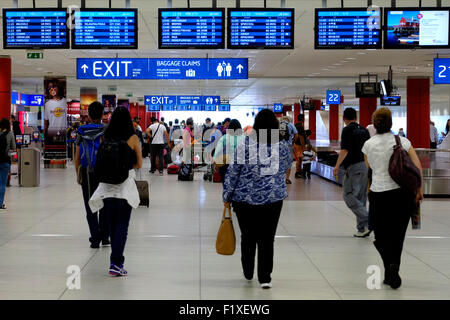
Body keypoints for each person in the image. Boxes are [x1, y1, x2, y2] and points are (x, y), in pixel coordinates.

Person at [223, 109, 290, 289]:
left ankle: (248, 271)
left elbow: (233, 172)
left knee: (248, 236)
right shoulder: (282, 146)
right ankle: (265, 277)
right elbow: (285, 167)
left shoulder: (245, 144)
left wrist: (227, 196)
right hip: (273, 199)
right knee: (267, 238)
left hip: (244, 199)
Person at [362, 107, 423, 289]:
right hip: (402, 194)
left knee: (380, 235)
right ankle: (392, 269)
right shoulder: (403, 141)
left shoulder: (368, 145)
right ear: (391, 123)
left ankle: (389, 267)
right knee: (398, 235)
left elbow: (369, 168)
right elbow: (417, 166)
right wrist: (418, 189)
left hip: (379, 194)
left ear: (374, 124)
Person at [89, 106, 142, 277]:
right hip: (124, 189)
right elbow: (139, 164)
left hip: (106, 189)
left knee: (111, 226)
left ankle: (115, 261)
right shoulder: (133, 138)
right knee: (122, 227)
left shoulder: (106, 136)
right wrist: (125, 167)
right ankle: (116, 263)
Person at [74, 102, 110, 248]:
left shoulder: (81, 130)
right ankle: (105, 237)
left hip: (87, 171)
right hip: (105, 172)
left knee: (90, 205)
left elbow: (77, 155)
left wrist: (78, 173)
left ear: (88, 115)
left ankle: (95, 238)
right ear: (103, 115)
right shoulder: (107, 129)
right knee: (105, 204)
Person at [333, 107, 371, 237]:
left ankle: (369, 219)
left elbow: (345, 150)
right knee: (361, 197)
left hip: (353, 166)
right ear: (356, 117)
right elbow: (368, 150)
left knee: (348, 194)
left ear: (344, 118)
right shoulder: (364, 130)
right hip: (364, 165)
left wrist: (337, 166)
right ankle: (362, 229)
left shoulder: (347, 130)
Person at [0, 118, 16, 210]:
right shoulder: (10, 134)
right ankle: (0, 203)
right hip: (5, 161)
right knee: (2, 183)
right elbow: (13, 147)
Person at [280, 116, 298, 184]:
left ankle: (280, 178)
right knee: (289, 162)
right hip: (288, 146)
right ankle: (287, 178)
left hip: (279, 146)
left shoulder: (277, 125)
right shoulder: (290, 125)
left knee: (279, 162)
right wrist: (293, 142)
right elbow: (296, 135)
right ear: (288, 120)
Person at [294, 114, 307, 179]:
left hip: (296, 144)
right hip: (299, 145)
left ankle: (299, 171)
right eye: (304, 118)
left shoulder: (296, 125)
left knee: (299, 158)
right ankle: (297, 172)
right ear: (302, 119)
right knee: (299, 159)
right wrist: (303, 146)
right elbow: (301, 137)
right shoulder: (300, 127)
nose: (304, 119)